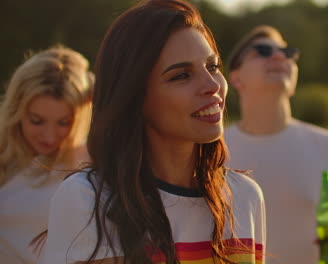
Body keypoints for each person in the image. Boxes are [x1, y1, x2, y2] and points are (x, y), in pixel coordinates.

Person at [38, 1, 265, 264]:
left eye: (212, 67)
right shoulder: (88, 199)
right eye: (181, 76)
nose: (212, 85)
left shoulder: (245, 197)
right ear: (135, 97)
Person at [224, 25, 328, 263]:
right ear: (235, 78)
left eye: (288, 53)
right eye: (263, 51)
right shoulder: (212, 149)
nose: (279, 56)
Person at [0, 46, 93, 264]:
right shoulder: (4, 156)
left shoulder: (86, 160)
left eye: (64, 123)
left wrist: (94, 89)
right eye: (36, 120)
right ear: (17, 108)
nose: (49, 136)